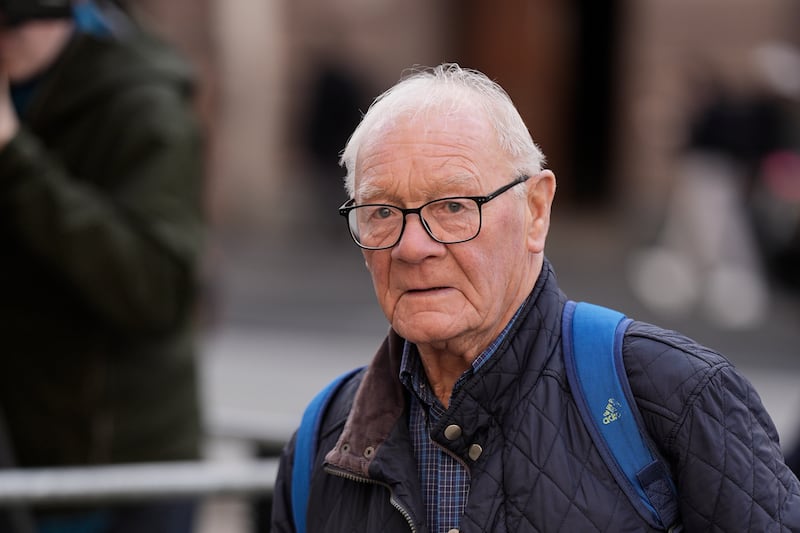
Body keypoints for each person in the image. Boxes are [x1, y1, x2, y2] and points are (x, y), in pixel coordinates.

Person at [271, 63, 800, 532]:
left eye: (453, 206)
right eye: (382, 211)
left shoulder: (674, 399)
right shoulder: (322, 440)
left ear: (536, 211)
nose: (412, 247)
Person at [0, 1, 205, 532]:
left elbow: (154, 289)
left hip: (111, 474)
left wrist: (14, 157)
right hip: (26, 446)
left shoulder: (138, 102)